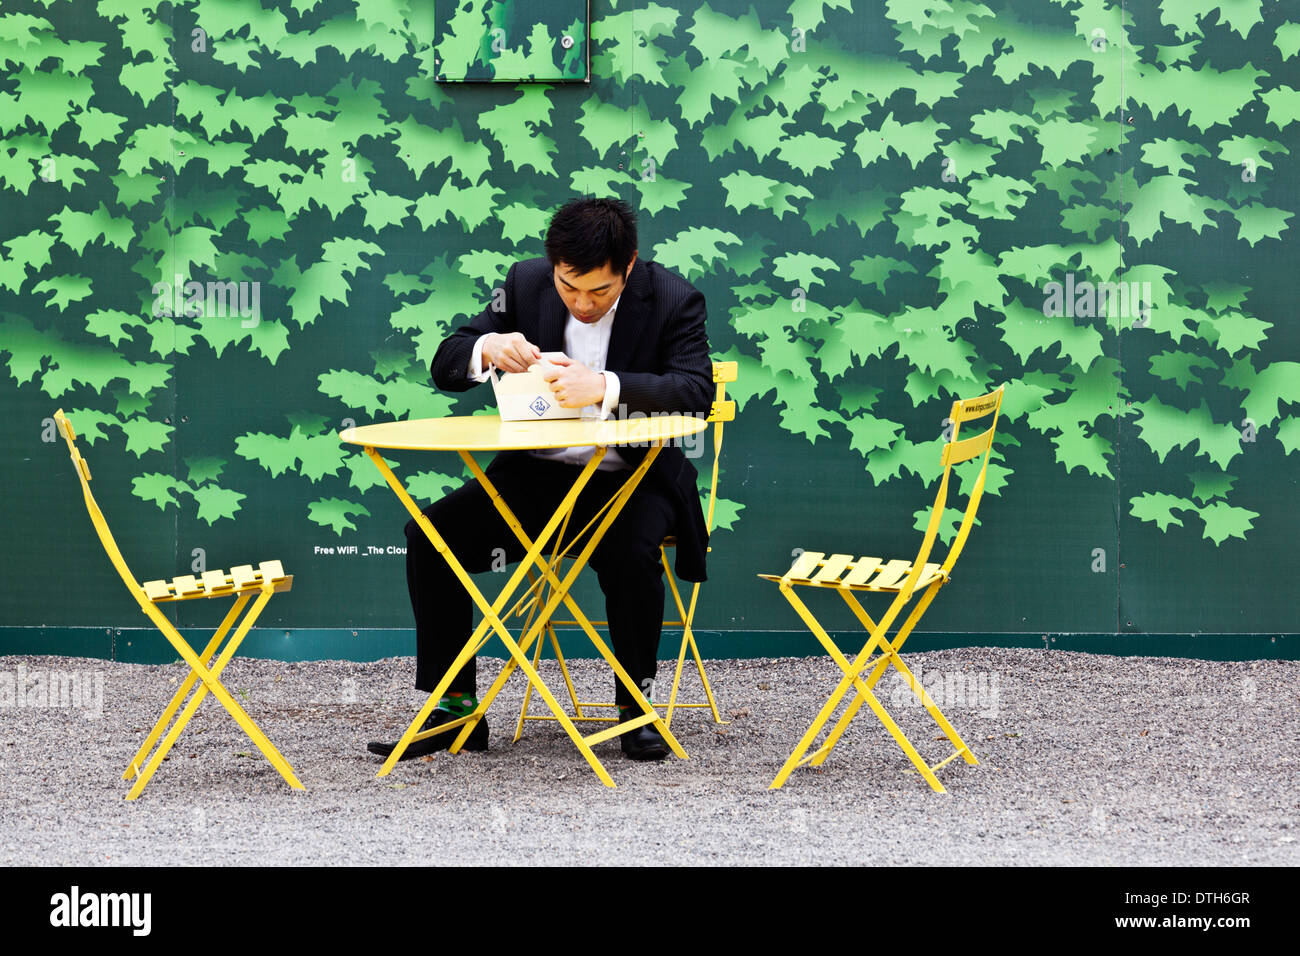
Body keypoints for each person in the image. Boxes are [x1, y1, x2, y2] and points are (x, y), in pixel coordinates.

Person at [367, 197, 713, 762]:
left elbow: (697, 393)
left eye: (599, 292)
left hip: (635, 478)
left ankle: (635, 708)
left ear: (628, 266)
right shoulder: (525, 284)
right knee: (430, 536)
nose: (581, 303)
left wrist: (606, 387)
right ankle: (454, 710)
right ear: (552, 267)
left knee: (631, 552)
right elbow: (446, 361)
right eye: (568, 287)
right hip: (536, 476)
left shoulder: (671, 296)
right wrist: (487, 347)